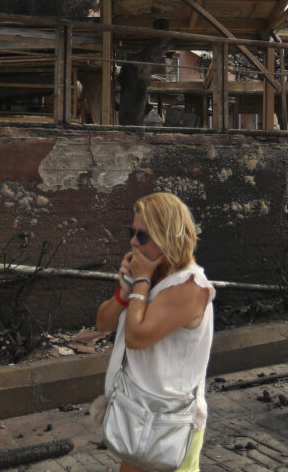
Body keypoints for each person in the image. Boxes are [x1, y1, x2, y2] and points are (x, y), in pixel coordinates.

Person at [96, 192, 215, 472]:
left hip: (168, 426)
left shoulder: (190, 286)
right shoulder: (152, 276)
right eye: (132, 232)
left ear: (168, 237)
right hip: (135, 412)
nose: (133, 242)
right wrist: (124, 293)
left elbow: (136, 337)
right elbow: (103, 324)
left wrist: (140, 280)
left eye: (143, 236)